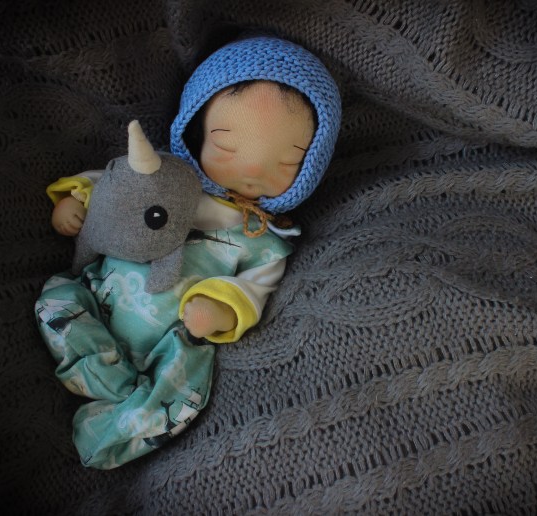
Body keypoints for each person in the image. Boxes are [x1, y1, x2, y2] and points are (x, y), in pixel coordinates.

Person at [35, 35, 341, 469]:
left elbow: (256, 289)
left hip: (172, 341)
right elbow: (121, 183)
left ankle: (112, 424)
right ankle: (110, 380)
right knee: (57, 297)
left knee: (184, 393)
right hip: (101, 292)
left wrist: (221, 310)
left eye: (287, 163)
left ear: (312, 165)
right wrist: (79, 200)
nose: (252, 169)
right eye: (227, 147)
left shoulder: (266, 240)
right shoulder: (170, 174)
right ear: (196, 131)